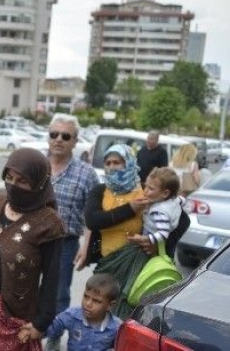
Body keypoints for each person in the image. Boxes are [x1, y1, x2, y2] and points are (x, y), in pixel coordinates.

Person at [0, 148, 65, 351]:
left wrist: (41, 323)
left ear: (39, 184)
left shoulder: (49, 223)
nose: (14, 186)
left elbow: (52, 278)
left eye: (23, 181)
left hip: (17, 320)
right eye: (9, 177)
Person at [44, 115, 99, 351]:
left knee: (58, 292)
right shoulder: (37, 164)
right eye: (54, 134)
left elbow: (92, 215)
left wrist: (86, 246)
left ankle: (54, 335)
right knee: (24, 287)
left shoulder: (86, 173)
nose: (58, 140)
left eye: (65, 136)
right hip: (31, 240)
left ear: (75, 141)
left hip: (64, 244)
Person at [83, 144, 150, 319]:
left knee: (125, 316)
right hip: (107, 264)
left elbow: (182, 220)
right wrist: (131, 209)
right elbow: (93, 220)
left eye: (117, 162)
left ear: (128, 162)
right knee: (98, 313)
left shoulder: (144, 190)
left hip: (134, 267)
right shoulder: (100, 190)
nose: (112, 167)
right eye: (108, 162)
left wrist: (153, 242)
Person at [19, 273, 122, 351]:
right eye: (86, 296)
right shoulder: (72, 316)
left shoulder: (117, 327)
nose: (88, 303)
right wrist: (35, 329)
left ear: (110, 305)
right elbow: (51, 328)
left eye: (96, 301)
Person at [128, 167, 183, 249]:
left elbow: (163, 234)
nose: (145, 190)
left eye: (150, 188)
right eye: (145, 186)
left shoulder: (159, 212)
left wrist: (144, 239)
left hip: (150, 236)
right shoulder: (175, 200)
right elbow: (183, 201)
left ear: (165, 193)